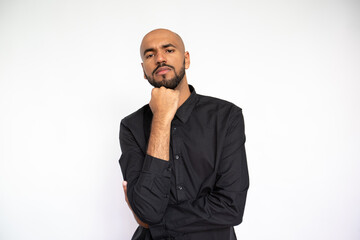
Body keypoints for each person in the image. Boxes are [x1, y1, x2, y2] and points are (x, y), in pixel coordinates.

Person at [119, 28, 249, 240]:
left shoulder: (226, 117)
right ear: (144, 70)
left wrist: (154, 221)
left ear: (186, 59)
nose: (160, 58)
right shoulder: (131, 126)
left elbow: (230, 207)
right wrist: (161, 119)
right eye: (150, 55)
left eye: (169, 50)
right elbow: (147, 211)